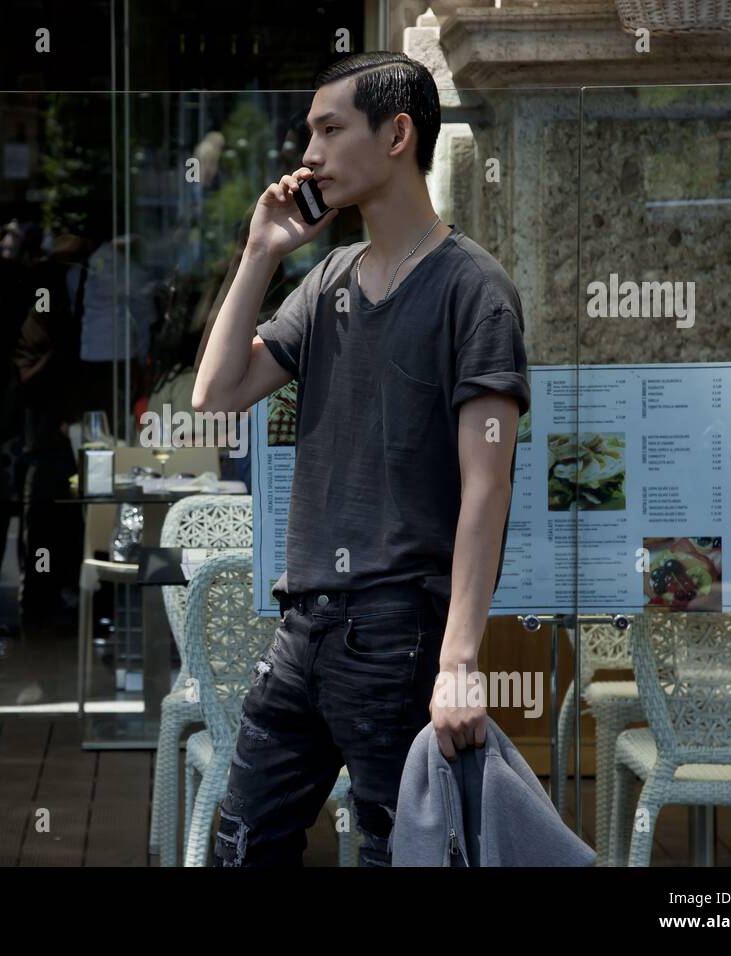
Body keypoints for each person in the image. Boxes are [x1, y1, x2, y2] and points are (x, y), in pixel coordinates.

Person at [192, 52, 531, 866]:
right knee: (240, 845)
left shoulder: (474, 290)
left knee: (402, 852)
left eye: (330, 129)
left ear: (397, 134)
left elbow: (488, 489)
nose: (308, 152)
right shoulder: (328, 280)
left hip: (397, 632)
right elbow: (215, 395)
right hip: (302, 624)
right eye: (311, 132)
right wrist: (262, 252)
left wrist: (459, 661)